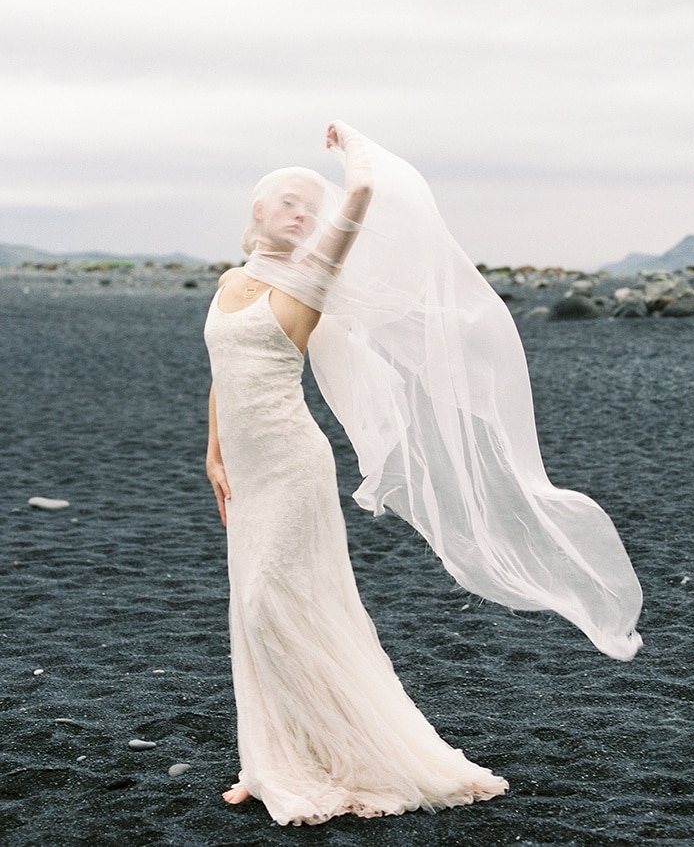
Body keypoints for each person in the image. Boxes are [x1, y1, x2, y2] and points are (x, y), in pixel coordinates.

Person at [204, 121, 641, 826]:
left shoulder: (309, 281)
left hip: (290, 465)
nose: (299, 214)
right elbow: (224, 370)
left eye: (308, 209)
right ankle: (271, 762)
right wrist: (212, 447)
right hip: (246, 471)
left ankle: (336, 756)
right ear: (256, 211)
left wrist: (352, 153)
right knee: (250, 615)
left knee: (268, 604)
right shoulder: (230, 282)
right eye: (287, 202)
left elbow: (361, 200)